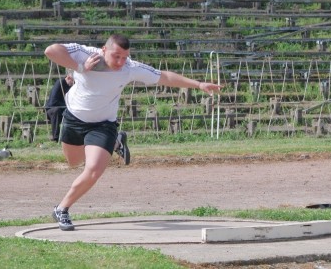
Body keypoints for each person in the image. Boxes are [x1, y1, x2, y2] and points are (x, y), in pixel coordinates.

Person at [44, 34, 221, 231]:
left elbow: (163, 76)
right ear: (104, 49)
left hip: (103, 124)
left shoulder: (130, 68)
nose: (120, 61)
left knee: (93, 170)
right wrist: (80, 67)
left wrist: (198, 85)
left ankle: (62, 209)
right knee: (74, 162)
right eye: (116, 56)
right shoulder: (86, 54)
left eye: (124, 57)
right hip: (74, 119)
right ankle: (116, 143)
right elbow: (51, 50)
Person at [44, 71, 74, 142]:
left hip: (64, 109)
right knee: (56, 111)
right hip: (52, 109)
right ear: (68, 78)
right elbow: (53, 101)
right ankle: (56, 137)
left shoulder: (70, 86)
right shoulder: (59, 83)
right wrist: (66, 105)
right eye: (72, 81)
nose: (73, 83)